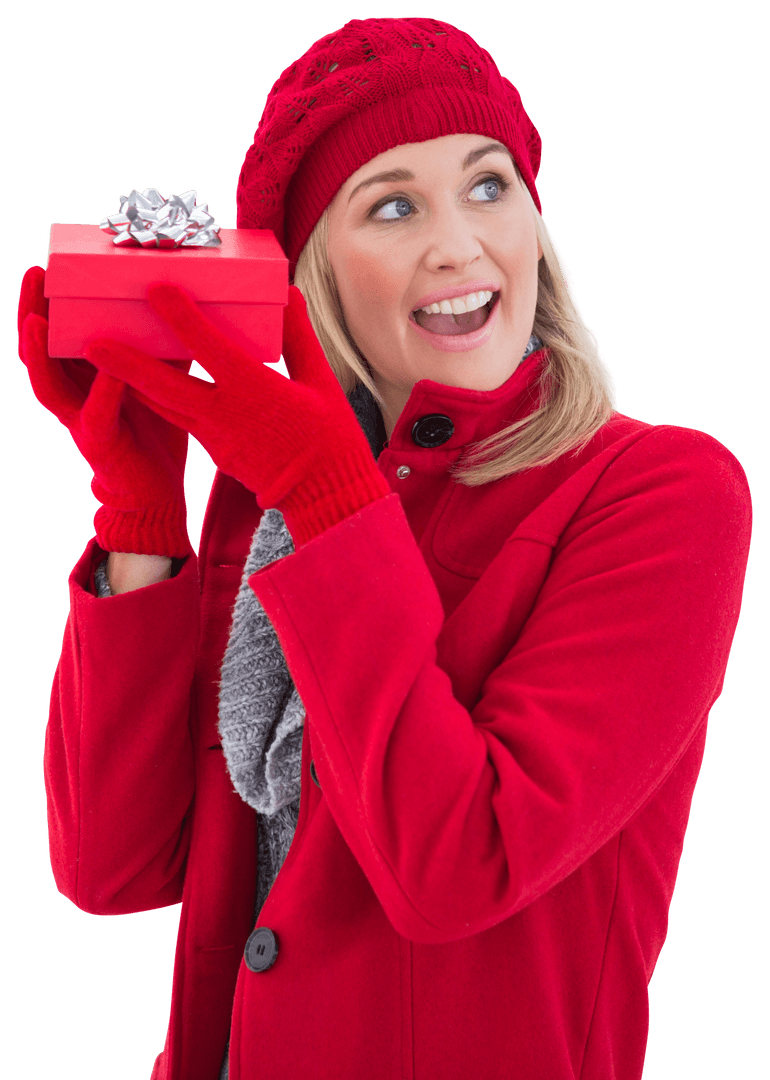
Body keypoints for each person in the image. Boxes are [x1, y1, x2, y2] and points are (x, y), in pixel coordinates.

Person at [16, 15, 753, 1080]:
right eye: (394, 205)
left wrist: (326, 496)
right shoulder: (267, 503)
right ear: (311, 274)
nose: (458, 243)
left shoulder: (660, 492)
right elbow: (111, 866)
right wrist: (139, 521)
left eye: (488, 185)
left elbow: (457, 869)